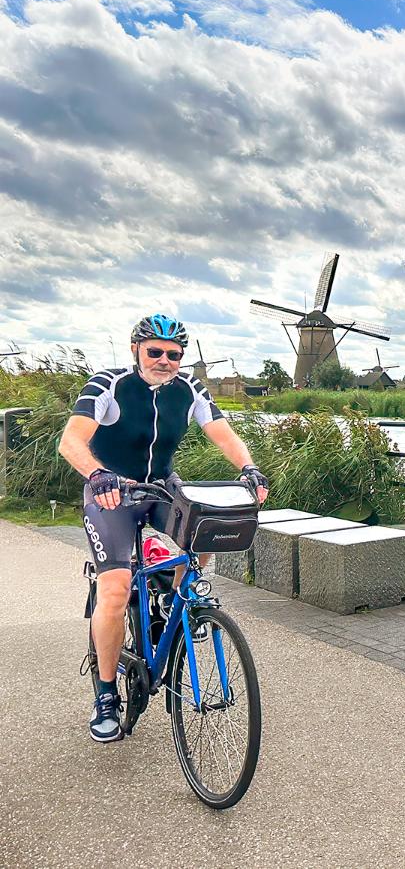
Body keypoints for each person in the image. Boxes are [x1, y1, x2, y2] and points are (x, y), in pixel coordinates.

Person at [58, 314, 269, 743]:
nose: (165, 360)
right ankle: (105, 695)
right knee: (115, 589)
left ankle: (176, 600)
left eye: (174, 355)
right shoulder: (108, 384)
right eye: (155, 352)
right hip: (111, 494)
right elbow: (71, 441)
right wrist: (98, 476)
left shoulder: (190, 388)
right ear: (136, 350)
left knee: (208, 521)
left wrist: (248, 468)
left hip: (160, 488)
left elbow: (223, 433)